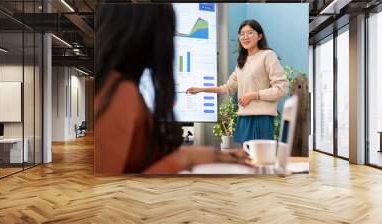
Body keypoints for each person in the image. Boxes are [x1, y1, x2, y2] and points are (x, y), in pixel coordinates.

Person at [94, 4, 250, 174]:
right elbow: (107, 184)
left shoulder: (116, 85)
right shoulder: (120, 93)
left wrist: (211, 154)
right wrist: (184, 159)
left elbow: (138, 161)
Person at [187, 20, 289, 144]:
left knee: (259, 160)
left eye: (250, 33)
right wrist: (201, 89)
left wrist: (253, 95)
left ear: (260, 36)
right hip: (244, 117)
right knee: (245, 159)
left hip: (261, 118)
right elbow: (228, 87)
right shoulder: (242, 61)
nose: (245, 37)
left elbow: (282, 88)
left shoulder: (268, 55)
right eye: (242, 34)